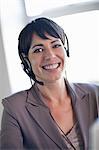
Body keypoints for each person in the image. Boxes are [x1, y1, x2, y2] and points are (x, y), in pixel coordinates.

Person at [0, 17, 99, 150]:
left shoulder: (95, 94)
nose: (50, 55)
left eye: (56, 45)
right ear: (26, 60)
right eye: (38, 50)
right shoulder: (15, 109)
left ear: (66, 50)